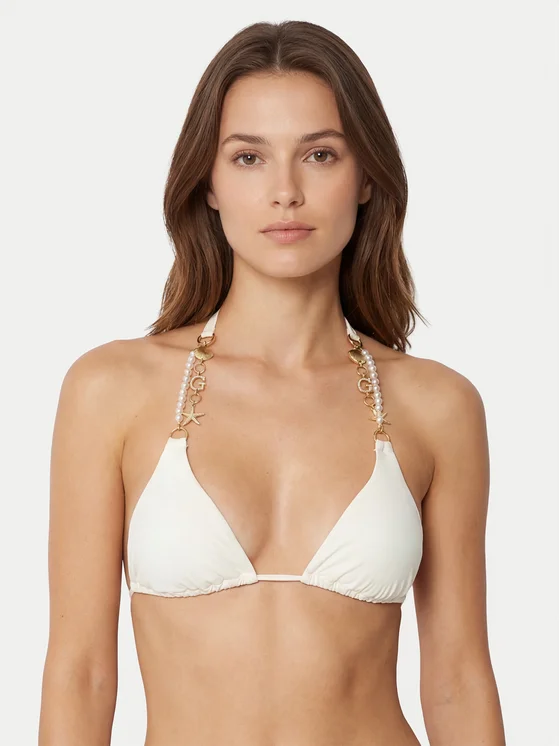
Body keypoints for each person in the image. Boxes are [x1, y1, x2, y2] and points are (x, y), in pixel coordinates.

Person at [38, 19, 506, 746]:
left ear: (366, 178)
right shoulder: (112, 391)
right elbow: (81, 674)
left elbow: (458, 680)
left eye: (320, 155)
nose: (285, 191)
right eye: (249, 157)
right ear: (209, 184)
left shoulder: (438, 405)